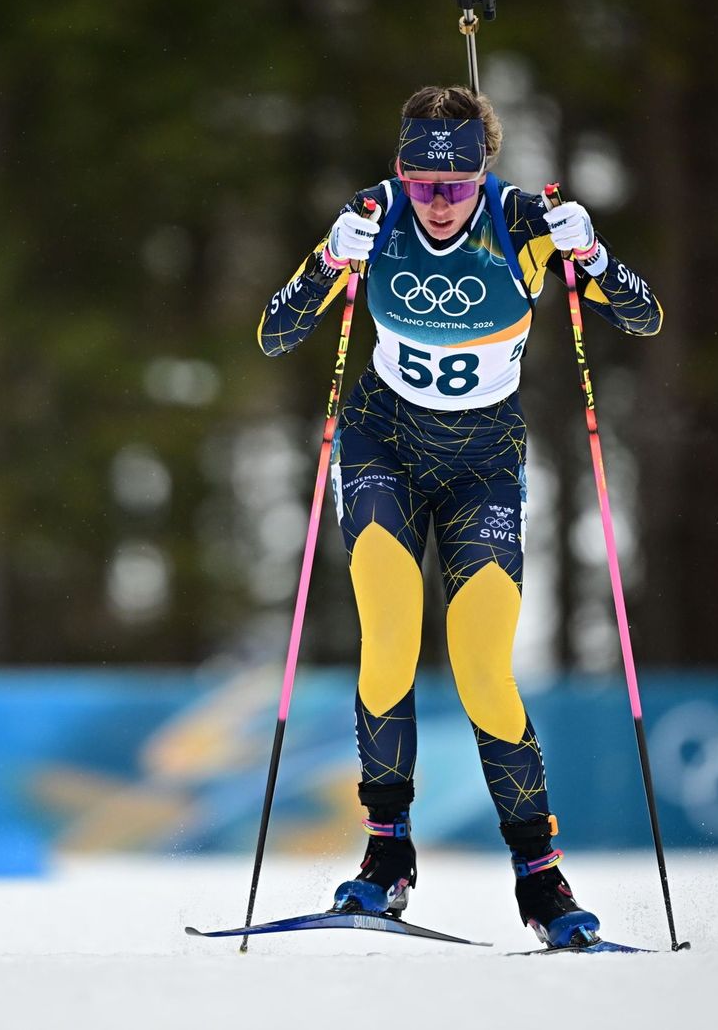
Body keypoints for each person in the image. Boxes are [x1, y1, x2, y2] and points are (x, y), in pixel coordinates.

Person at [256, 85, 663, 947]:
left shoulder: (526, 225)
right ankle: (387, 855)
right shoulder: (374, 218)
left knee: (483, 669)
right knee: (388, 642)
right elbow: (275, 333)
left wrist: (594, 254)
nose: (438, 203)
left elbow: (644, 316)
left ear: (485, 173)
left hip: (483, 465)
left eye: (457, 184)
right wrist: (328, 261)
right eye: (422, 183)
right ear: (400, 171)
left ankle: (541, 878)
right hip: (384, 446)